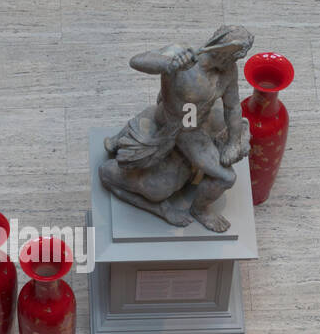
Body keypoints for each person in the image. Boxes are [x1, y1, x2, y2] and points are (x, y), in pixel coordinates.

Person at [99, 24, 255, 233]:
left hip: (198, 125)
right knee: (225, 177)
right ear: (218, 43)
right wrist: (168, 63)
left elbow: (233, 106)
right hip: (180, 129)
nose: (232, 60)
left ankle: (200, 209)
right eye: (231, 54)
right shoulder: (181, 52)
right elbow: (137, 61)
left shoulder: (227, 71)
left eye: (236, 57)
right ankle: (174, 204)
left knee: (227, 170)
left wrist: (234, 142)